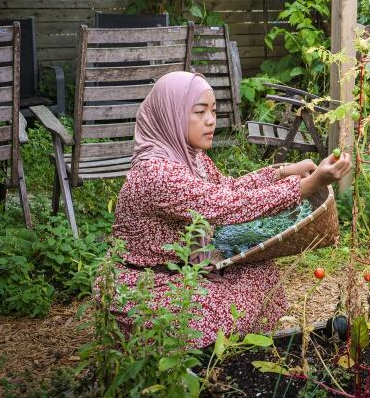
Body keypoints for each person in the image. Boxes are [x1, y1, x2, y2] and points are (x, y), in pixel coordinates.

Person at [108, 71, 351, 347]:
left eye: (213, 110)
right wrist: (308, 185)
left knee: (263, 274)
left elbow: (229, 188)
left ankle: (223, 349)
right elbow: (227, 206)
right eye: (199, 112)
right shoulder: (157, 173)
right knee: (231, 304)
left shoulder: (191, 158)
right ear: (171, 114)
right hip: (147, 288)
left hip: (183, 273)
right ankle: (194, 356)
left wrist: (284, 172)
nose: (211, 120)